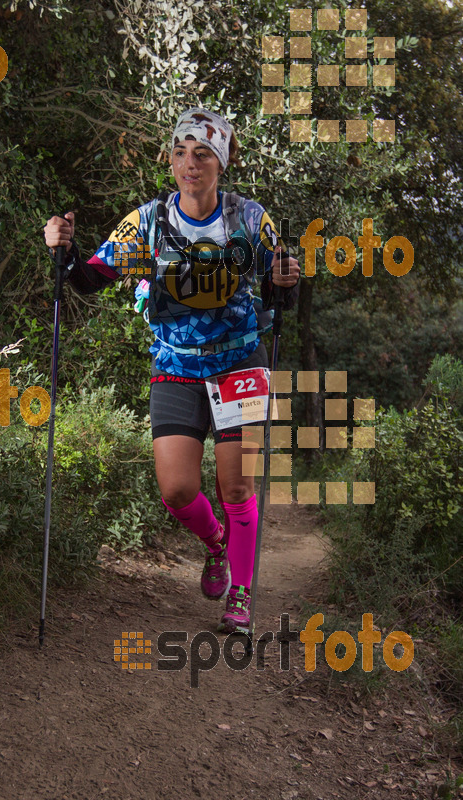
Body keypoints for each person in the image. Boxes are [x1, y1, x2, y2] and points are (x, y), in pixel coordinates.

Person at [44, 107, 300, 634]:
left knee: (235, 486)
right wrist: (63, 250)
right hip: (176, 364)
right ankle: (217, 545)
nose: (190, 163)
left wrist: (287, 280)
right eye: (181, 152)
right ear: (171, 159)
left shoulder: (250, 219)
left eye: (203, 153)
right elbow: (92, 279)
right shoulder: (149, 222)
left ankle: (242, 597)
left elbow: (279, 293)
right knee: (177, 490)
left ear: (222, 162)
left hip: (239, 360)